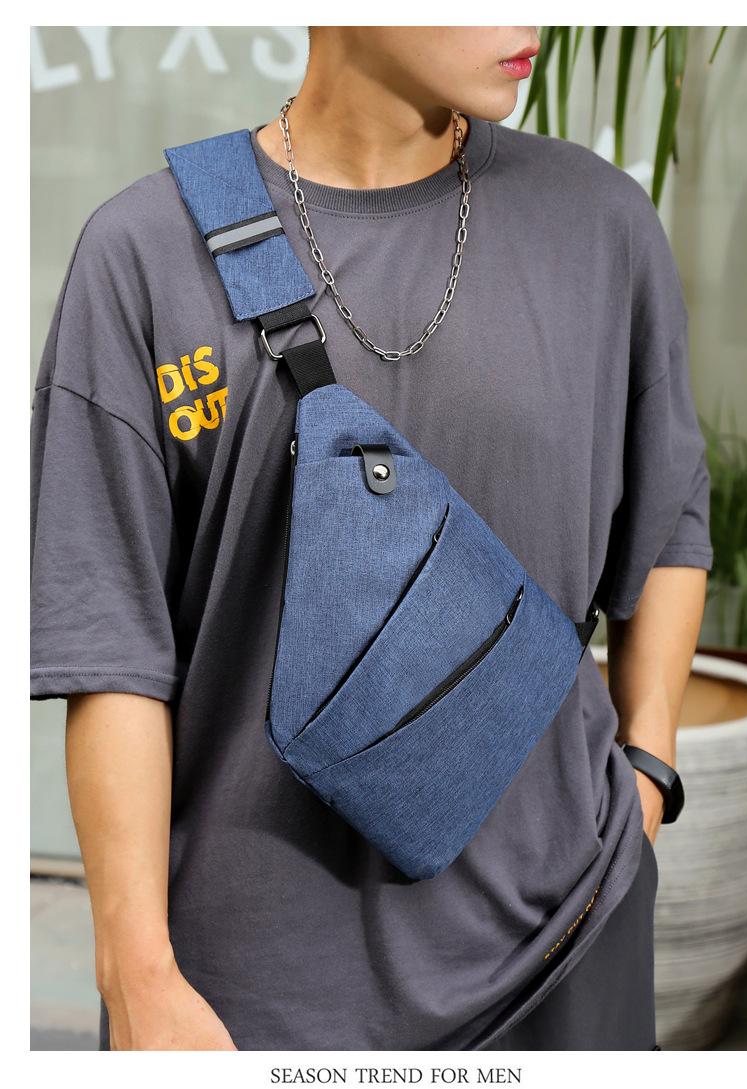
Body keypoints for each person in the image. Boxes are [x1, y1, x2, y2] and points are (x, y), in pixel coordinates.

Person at [30, 26, 712, 1051]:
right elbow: (111, 649)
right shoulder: (146, 254)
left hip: (568, 940)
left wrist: (646, 775)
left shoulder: (601, 226)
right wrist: (137, 973)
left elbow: (666, 520)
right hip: (243, 1000)